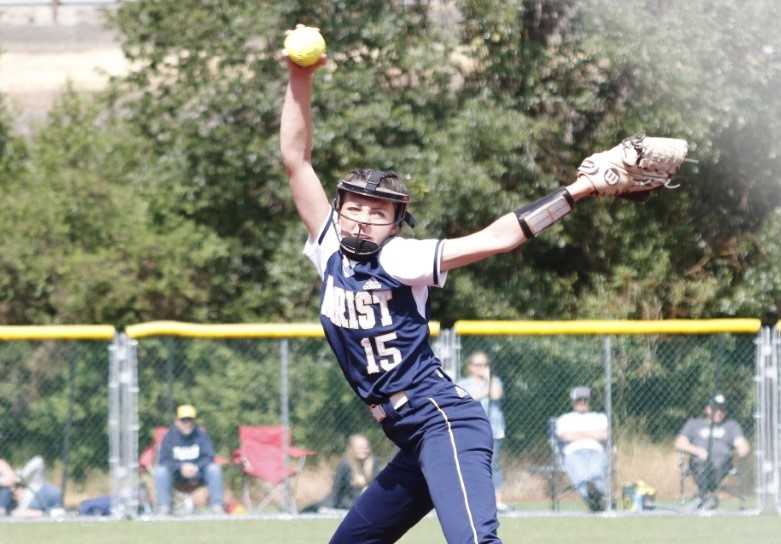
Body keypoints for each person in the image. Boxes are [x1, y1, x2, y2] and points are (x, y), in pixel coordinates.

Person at [281, 30, 614, 543]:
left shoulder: (400, 256)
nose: (365, 218)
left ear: (395, 223)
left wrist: (579, 190)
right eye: (356, 207)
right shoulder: (327, 246)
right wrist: (300, 78)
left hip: (445, 424)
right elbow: (296, 159)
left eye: (380, 211)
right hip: (412, 442)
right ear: (340, 212)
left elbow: (499, 238)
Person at [674, 393, 750, 509]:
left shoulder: (731, 426)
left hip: (722, 464)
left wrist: (742, 449)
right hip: (699, 463)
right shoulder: (694, 424)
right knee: (701, 463)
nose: (719, 412)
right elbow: (679, 443)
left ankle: (704, 498)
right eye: (716, 408)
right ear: (708, 409)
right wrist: (697, 451)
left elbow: (742, 445)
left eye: (723, 409)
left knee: (720, 462)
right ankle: (707, 497)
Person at [457, 351, 508, 511]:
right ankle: (472, 500)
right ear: (470, 367)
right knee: (470, 465)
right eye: (478, 365)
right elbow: (469, 398)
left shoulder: (495, 381)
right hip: (470, 431)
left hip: (493, 431)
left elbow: (496, 394)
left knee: (493, 465)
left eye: (485, 365)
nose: (483, 368)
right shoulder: (463, 383)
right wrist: (484, 389)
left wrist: (488, 379)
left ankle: (497, 501)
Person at [154, 404, 224, 515]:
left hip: (198, 474)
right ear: (177, 421)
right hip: (177, 475)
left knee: (214, 469)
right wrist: (180, 467)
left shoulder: (201, 435)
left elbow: (209, 457)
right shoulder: (169, 437)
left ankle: (217, 506)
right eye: (184, 420)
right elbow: (164, 460)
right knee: (160, 471)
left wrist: (196, 467)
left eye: (190, 420)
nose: (187, 423)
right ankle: (164, 507)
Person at [555, 386, 608, 512]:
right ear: (573, 402)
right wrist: (591, 434)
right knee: (582, 476)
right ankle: (594, 500)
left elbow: (604, 435)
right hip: (574, 453)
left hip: (596, 451)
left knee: (596, 473)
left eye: (585, 400)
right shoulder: (565, 419)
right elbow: (564, 436)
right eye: (579, 400)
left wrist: (577, 434)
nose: (582, 402)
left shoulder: (599, 417)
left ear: (589, 401)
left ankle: (596, 497)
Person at [304, 434, 381, 513]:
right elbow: (337, 490)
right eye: (359, 448)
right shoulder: (345, 465)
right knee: (315, 507)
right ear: (352, 449)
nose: (363, 450)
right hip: (347, 502)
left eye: (366, 447)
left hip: (368, 501)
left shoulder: (374, 463)